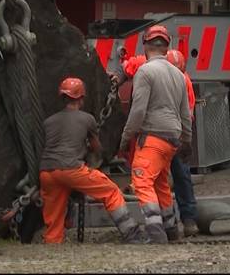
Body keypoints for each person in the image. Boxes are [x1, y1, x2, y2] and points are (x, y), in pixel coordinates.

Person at [39, 77, 148, 244]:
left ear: (62, 97)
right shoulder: (87, 119)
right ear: (81, 98)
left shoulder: (48, 122)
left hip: (47, 172)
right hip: (72, 169)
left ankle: (53, 245)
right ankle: (132, 235)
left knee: (54, 216)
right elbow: (97, 148)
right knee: (110, 191)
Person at [119, 26, 192, 244]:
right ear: (166, 47)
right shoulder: (179, 75)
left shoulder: (145, 72)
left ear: (145, 46)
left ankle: (156, 234)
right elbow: (185, 114)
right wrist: (186, 140)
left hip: (152, 136)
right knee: (160, 183)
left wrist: (125, 138)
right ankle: (171, 230)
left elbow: (138, 110)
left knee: (142, 181)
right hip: (172, 138)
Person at [166, 49, 199, 238]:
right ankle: (188, 220)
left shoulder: (156, 73)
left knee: (162, 178)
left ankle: (169, 222)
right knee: (182, 177)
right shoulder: (184, 79)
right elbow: (189, 115)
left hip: (164, 133)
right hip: (177, 133)